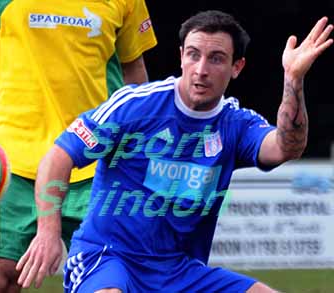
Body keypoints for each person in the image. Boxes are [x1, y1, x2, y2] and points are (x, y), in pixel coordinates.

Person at [17, 10, 332, 292]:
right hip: (108, 259)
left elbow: (286, 147)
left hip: (179, 271)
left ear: (237, 67)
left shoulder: (235, 123)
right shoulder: (135, 106)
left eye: (216, 58)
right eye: (193, 55)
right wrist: (48, 231)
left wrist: (293, 80)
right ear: (181, 56)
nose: (201, 69)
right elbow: (59, 155)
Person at [0, 0, 157, 292]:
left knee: (112, 280)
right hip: (10, 164)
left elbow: (133, 69)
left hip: (96, 161)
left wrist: (141, 146)